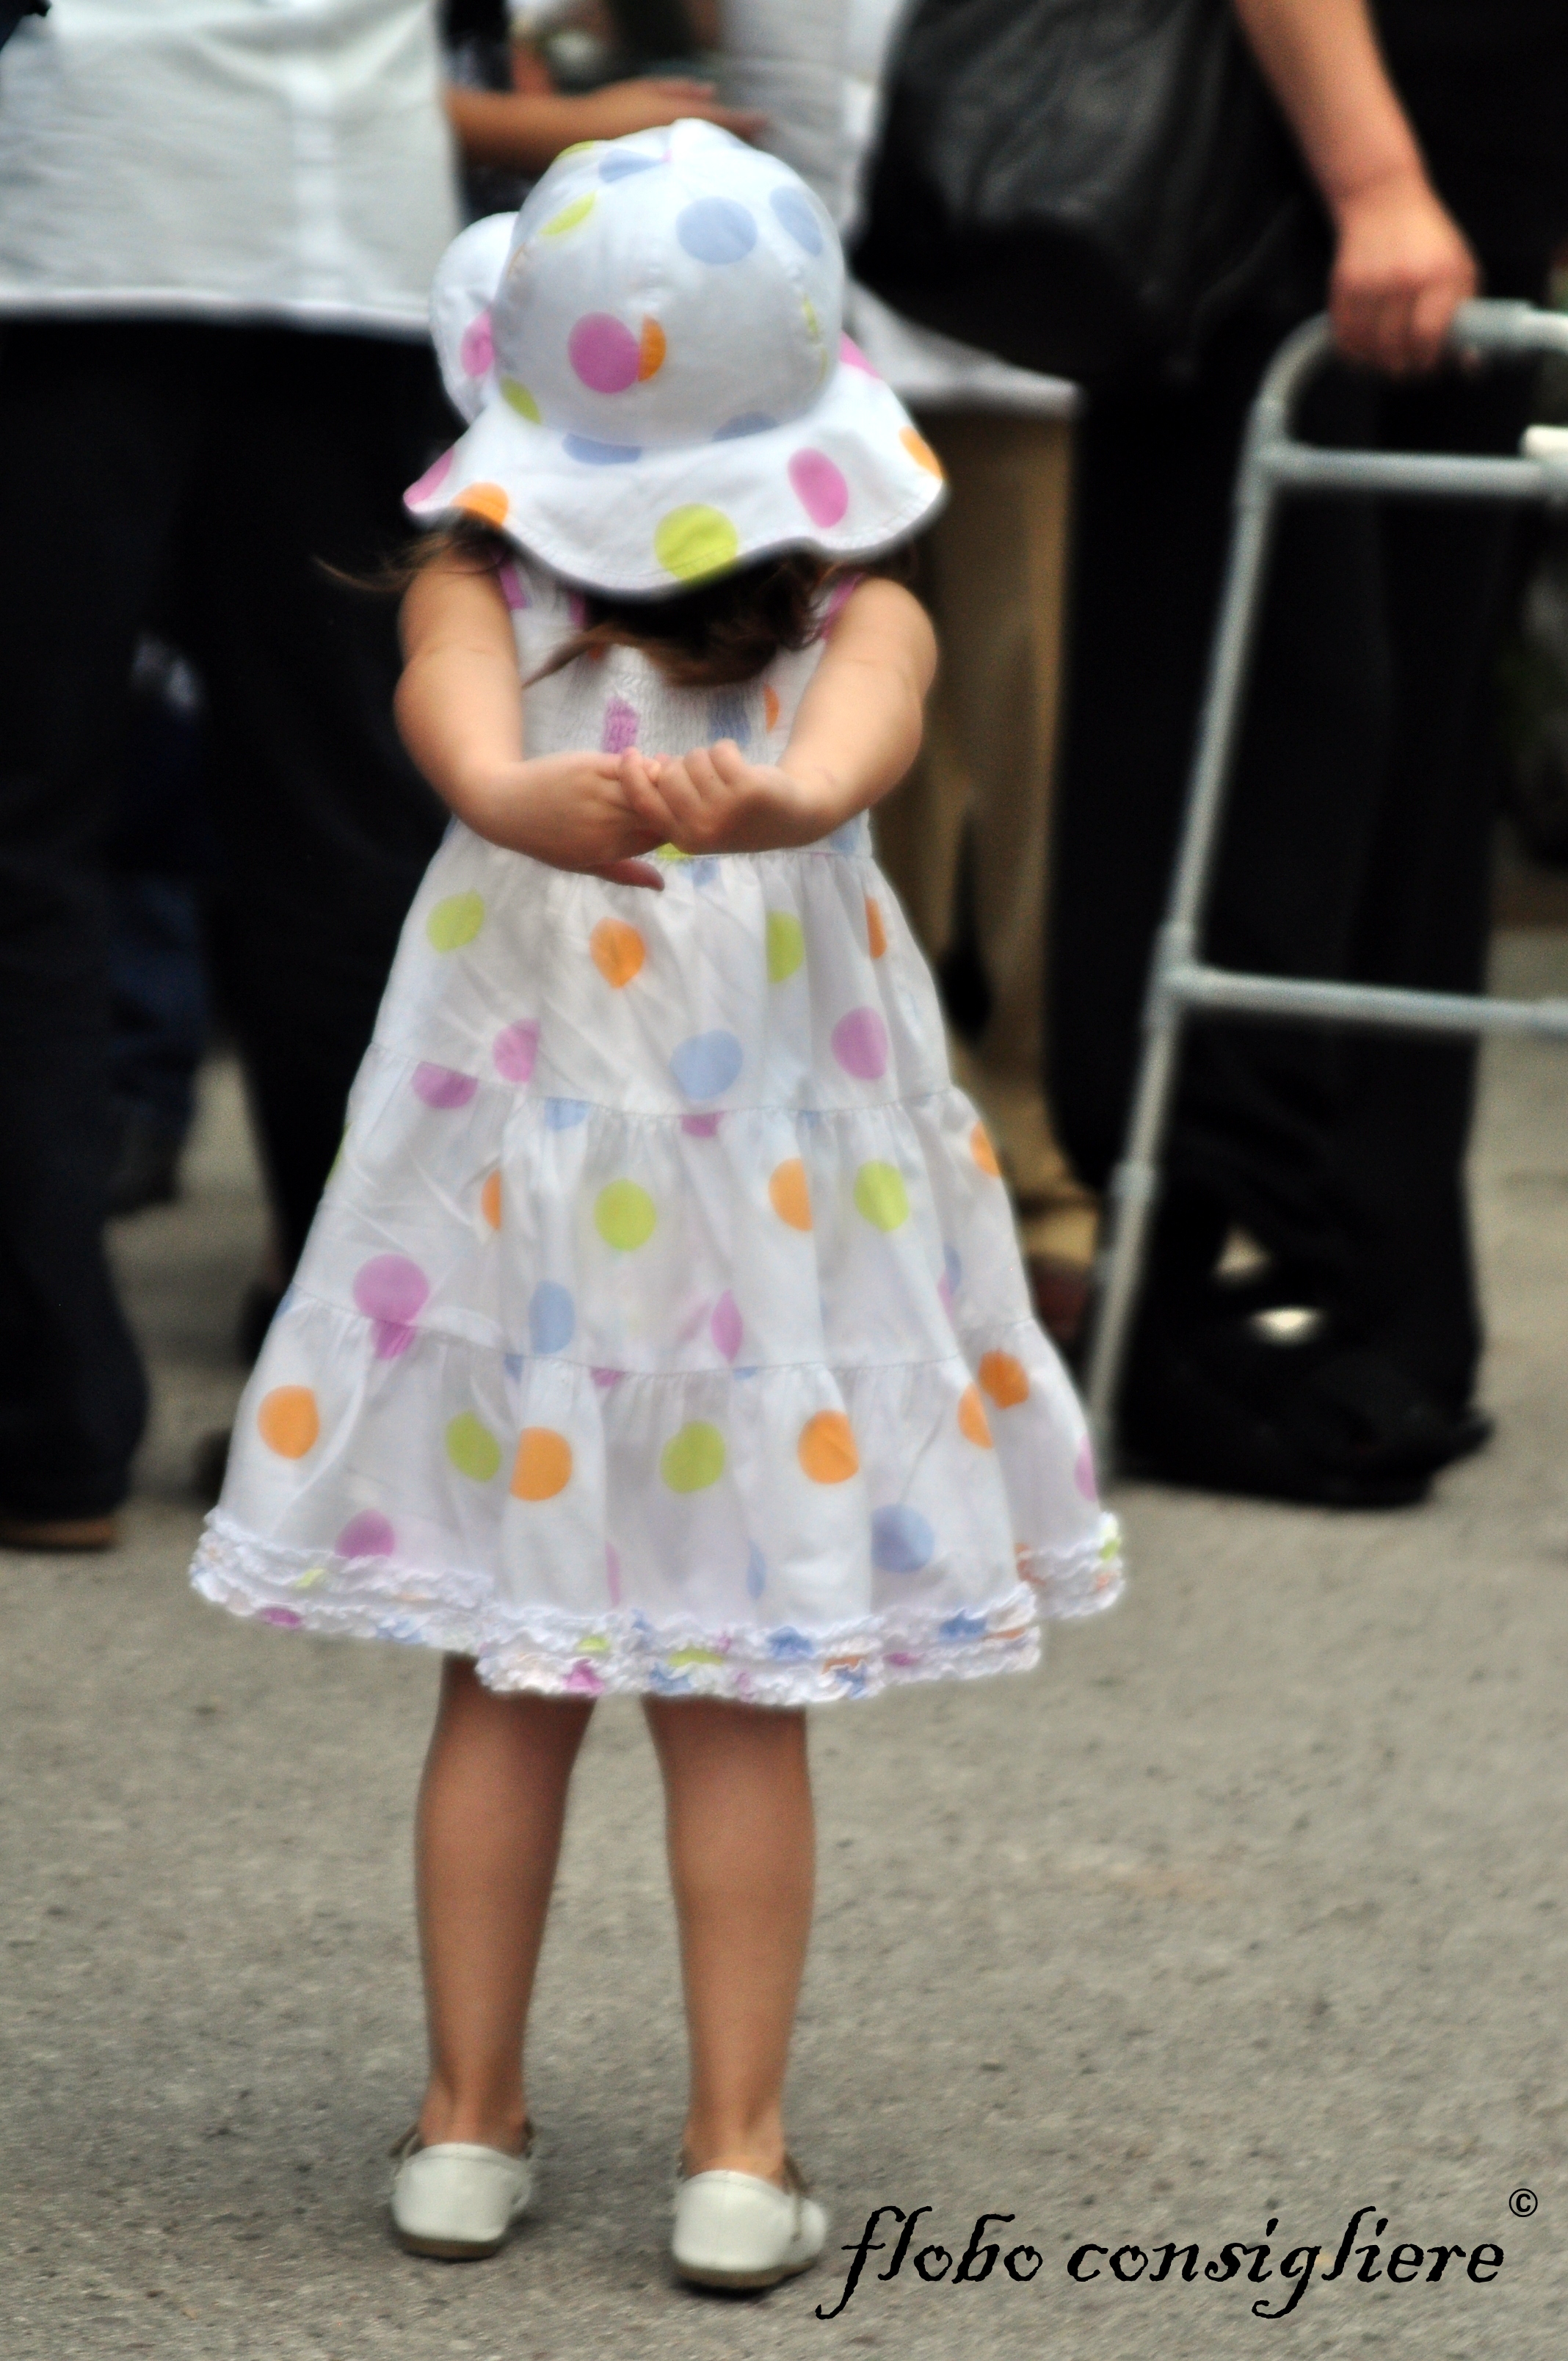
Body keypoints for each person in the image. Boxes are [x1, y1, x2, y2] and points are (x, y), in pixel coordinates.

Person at [192, 123, 1121, 2286]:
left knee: (501, 1686)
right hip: (757, 1260)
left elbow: (462, 734)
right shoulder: (860, 606)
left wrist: (542, 794)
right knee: (736, 1697)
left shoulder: (483, 591)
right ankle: (734, 2152)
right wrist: (766, 797)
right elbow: (856, 742)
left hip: (516, 1248)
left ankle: (465, 2123)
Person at [0, 1, 758, 1554]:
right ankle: (364, 1404)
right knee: (342, 828)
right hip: (341, 213)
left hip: (73, 203)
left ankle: (46, 1420)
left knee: (25, 834)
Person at [1048, 0, 1568, 1504]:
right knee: (1274, 733)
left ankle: (1375, 1286)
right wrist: (1373, 176)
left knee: (1416, 746)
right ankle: (1186, 1286)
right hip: (1287, 183)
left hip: (1465, 169)